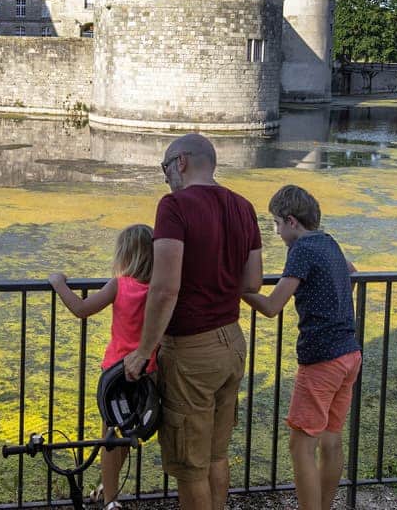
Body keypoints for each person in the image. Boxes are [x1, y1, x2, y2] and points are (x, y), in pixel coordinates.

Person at [122, 134, 262, 510]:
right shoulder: (243, 206)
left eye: (165, 167)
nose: (166, 176)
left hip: (190, 353)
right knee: (215, 456)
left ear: (180, 163)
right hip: (231, 342)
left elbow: (165, 289)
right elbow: (251, 282)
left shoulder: (174, 206)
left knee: (190, 467)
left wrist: (142, 352)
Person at [241, 184, 361, 510]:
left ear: (292, 221)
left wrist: (236, 288)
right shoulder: (328, 241)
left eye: (277, 224)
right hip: (350, 351)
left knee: (300, 445)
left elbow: (271, 306)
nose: (277, 232)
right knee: (331, 439)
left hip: (322, 358)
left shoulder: (303, 250)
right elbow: (352, 271)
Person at [47, 224, 157, 510]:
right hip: (149, 372)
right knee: (130, 432)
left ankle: (110, 500)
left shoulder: (120, 285)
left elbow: (81, 309)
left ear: (126, 255)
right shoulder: (160, 290)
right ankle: (108, 488)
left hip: (116, 376)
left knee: (111, 435)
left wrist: (58, 282)